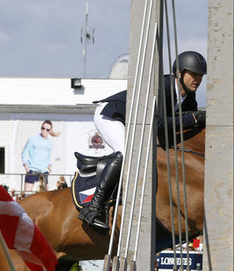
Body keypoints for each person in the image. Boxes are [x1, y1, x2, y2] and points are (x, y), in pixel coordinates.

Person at [78, 51, 207, 231]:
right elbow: (155, 124)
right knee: (125, 152)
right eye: (194, 74)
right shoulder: (164, 86)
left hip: (135, 121)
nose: (198, 79)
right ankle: (93, 209)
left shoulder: (189, 99)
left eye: (200, 75)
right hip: (112, 115)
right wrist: (192, 119)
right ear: (179, 73)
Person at [22, 120, 57, 192]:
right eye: (43, 128)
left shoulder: (50, 143)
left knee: (46, 196)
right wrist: (26, 167)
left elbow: (49, 156)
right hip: (32, 170)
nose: (44, 131)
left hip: (44, 172)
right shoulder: (32, 139)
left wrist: (49, 166)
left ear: (50, 131)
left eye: (47, 130)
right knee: (26, 195)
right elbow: (24, 153)